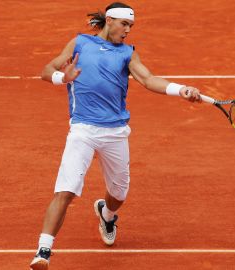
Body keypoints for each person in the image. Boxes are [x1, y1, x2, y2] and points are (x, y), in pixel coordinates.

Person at [30, 2, 201, 269]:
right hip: (83, 129)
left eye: (131, 26)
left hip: (116, 132)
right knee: (65, 190)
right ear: (109, 20)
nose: (128, 30)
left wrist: (180, 90)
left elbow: (148, 79)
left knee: (119, 194)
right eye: (125, 24)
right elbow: (46, 70)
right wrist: (63, 79)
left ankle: (106, 213)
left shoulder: (127, 53)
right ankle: (43, 251)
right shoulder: (80, 43)